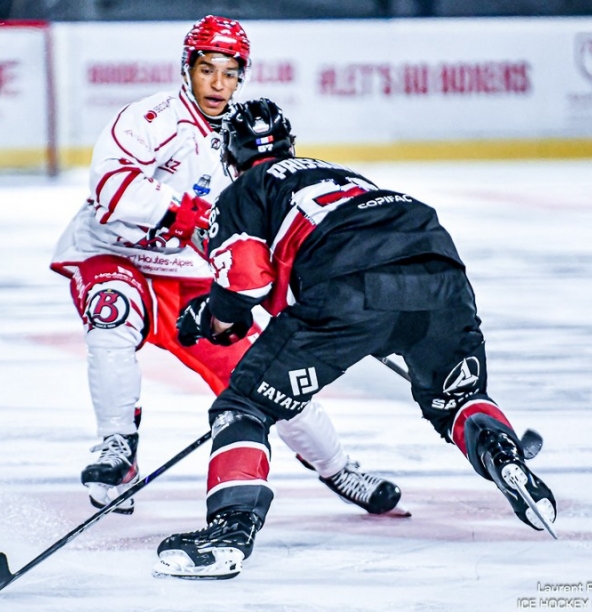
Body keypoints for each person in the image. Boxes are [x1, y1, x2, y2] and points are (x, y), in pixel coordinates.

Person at [153, 98, 558, 580]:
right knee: (459, 397)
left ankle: (229, 531)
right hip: (438, 270)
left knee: (243, 407)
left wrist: (214, 316)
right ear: (288, 144)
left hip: (350, 289)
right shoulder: (338, 174)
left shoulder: (246, 189)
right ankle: (502, 456)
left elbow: (246, 281)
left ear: (230, 155)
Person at [50, 16, 401, 519]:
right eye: (208, 69)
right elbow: (109, 184)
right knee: (112, 312)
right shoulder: (150, 119)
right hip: (115, 255)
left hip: (191, 279)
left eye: (231, 73)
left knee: (267, 378)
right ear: (186, 68)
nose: (218, 84)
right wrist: (177, 213)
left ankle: (338, 467)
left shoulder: (243, 140)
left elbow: (265, 227)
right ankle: (117, 448)